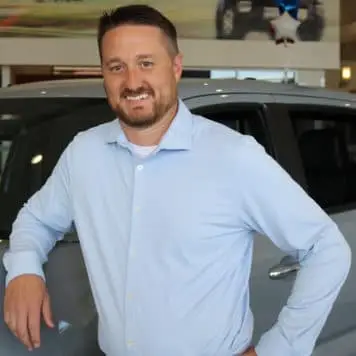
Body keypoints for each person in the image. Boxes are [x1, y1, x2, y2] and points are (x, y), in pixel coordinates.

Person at [2, 4, 351, 356]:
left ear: (176, 66)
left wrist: (278, 350)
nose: (132, 82)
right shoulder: (85, 155)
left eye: (146, 63)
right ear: (104, 74)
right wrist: (23, 270)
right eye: (116, 67)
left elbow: (327, 248)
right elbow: (36, 219)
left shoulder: (232, 157)